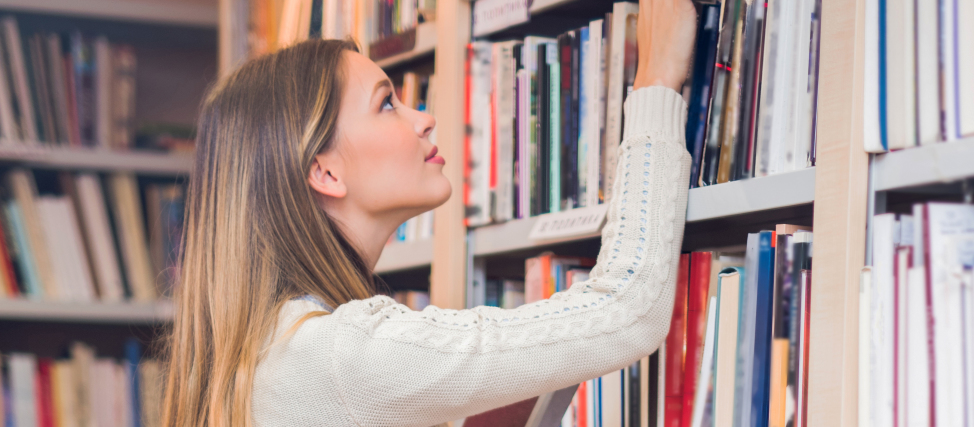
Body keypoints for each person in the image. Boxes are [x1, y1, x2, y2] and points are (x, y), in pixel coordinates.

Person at [159, 0, 697, 425]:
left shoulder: (276, 346)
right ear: (324, 172)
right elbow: (628, 309)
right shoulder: (337, 355)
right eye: (386, 103)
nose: (426, 119)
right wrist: (655, 80)